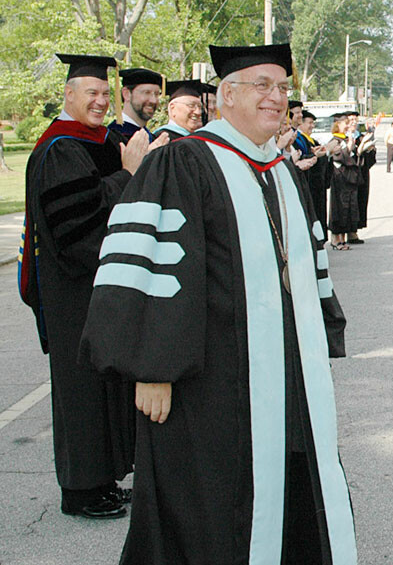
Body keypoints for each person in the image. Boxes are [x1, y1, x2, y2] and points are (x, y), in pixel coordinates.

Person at [80, 43, 357, 564]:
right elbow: (149, 263)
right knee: (210, 508)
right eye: (262, 86)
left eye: (282, 88)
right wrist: (151, 367)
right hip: (208, 387)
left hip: (285, 376)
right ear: (226, 95)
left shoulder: (282, 170)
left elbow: (306, 264)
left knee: (295, 480)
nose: (276, 98)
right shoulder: (182, 163)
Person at [20, 54, 158, 519]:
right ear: (69, 95)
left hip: (93, 287)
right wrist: (127, 175)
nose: (100, 101)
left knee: (102, 385)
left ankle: (102, 480)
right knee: (80, 392)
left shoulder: (92, 141)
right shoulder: (60, 147)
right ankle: (79, 491)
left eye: (104, 93)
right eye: (90, 93)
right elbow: (74, 227)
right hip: (72, 289)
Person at [292, 110, 333, 234]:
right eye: (310, 123)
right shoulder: (297, 139)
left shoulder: (309, 139)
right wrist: (314, 154)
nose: (312, 126)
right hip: (308, 183)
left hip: (316, 184)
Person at [328, 112, 360, 250]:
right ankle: (337, 240)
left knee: (347, 208)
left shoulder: (345, 139)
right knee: (339, 208)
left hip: (347, 179)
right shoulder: (334, 141)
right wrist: (348, 149)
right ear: (337, 124)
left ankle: (343, 238)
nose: (347, 126)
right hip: (339, 179)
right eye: (345, 123)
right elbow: (337, 157)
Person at [109, 67, 162, 141]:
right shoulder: (111, 137)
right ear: (126, 94)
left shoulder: (153, 138)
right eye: (146, 92)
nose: (153, 100)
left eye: (156, 94)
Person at [350, 113, 376, 244]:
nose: (354, 122)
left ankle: (354, 231)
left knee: (360, 201)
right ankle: (348, 232)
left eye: (355, 120)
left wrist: (370, 149)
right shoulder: (344, 139)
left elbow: (369, 160)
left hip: (361, 174)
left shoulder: (360, 137)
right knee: (349, 203)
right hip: (349, 176)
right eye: (351, 120)